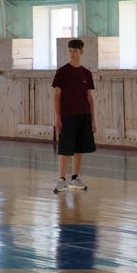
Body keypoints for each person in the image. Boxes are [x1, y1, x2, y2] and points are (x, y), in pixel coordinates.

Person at [52, 38, 95, 193]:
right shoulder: (62, 72)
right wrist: (58, 117)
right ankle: (61, 179)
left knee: (79, 148)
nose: (72, 53)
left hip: (83, 115)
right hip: (67, 116)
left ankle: (75, 178)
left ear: (81, 52)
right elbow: (57, 96)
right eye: (70, 50)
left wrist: (93, 119)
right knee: (64, 148)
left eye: (75, 50)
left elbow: (89, 97)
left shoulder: (86, 73)